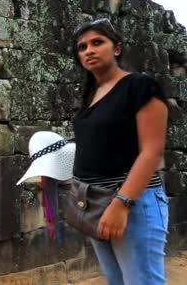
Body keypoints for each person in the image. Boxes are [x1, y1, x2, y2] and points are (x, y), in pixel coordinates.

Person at [71, 18, 169, 284]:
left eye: (97, 42)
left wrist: (121, 204)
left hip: (131, 203)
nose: (88, 50)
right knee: (116, 281)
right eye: (82, 47)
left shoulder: (139, 86)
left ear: (117, 49)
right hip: (94, 203)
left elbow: (151, 152)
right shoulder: (91, 96)